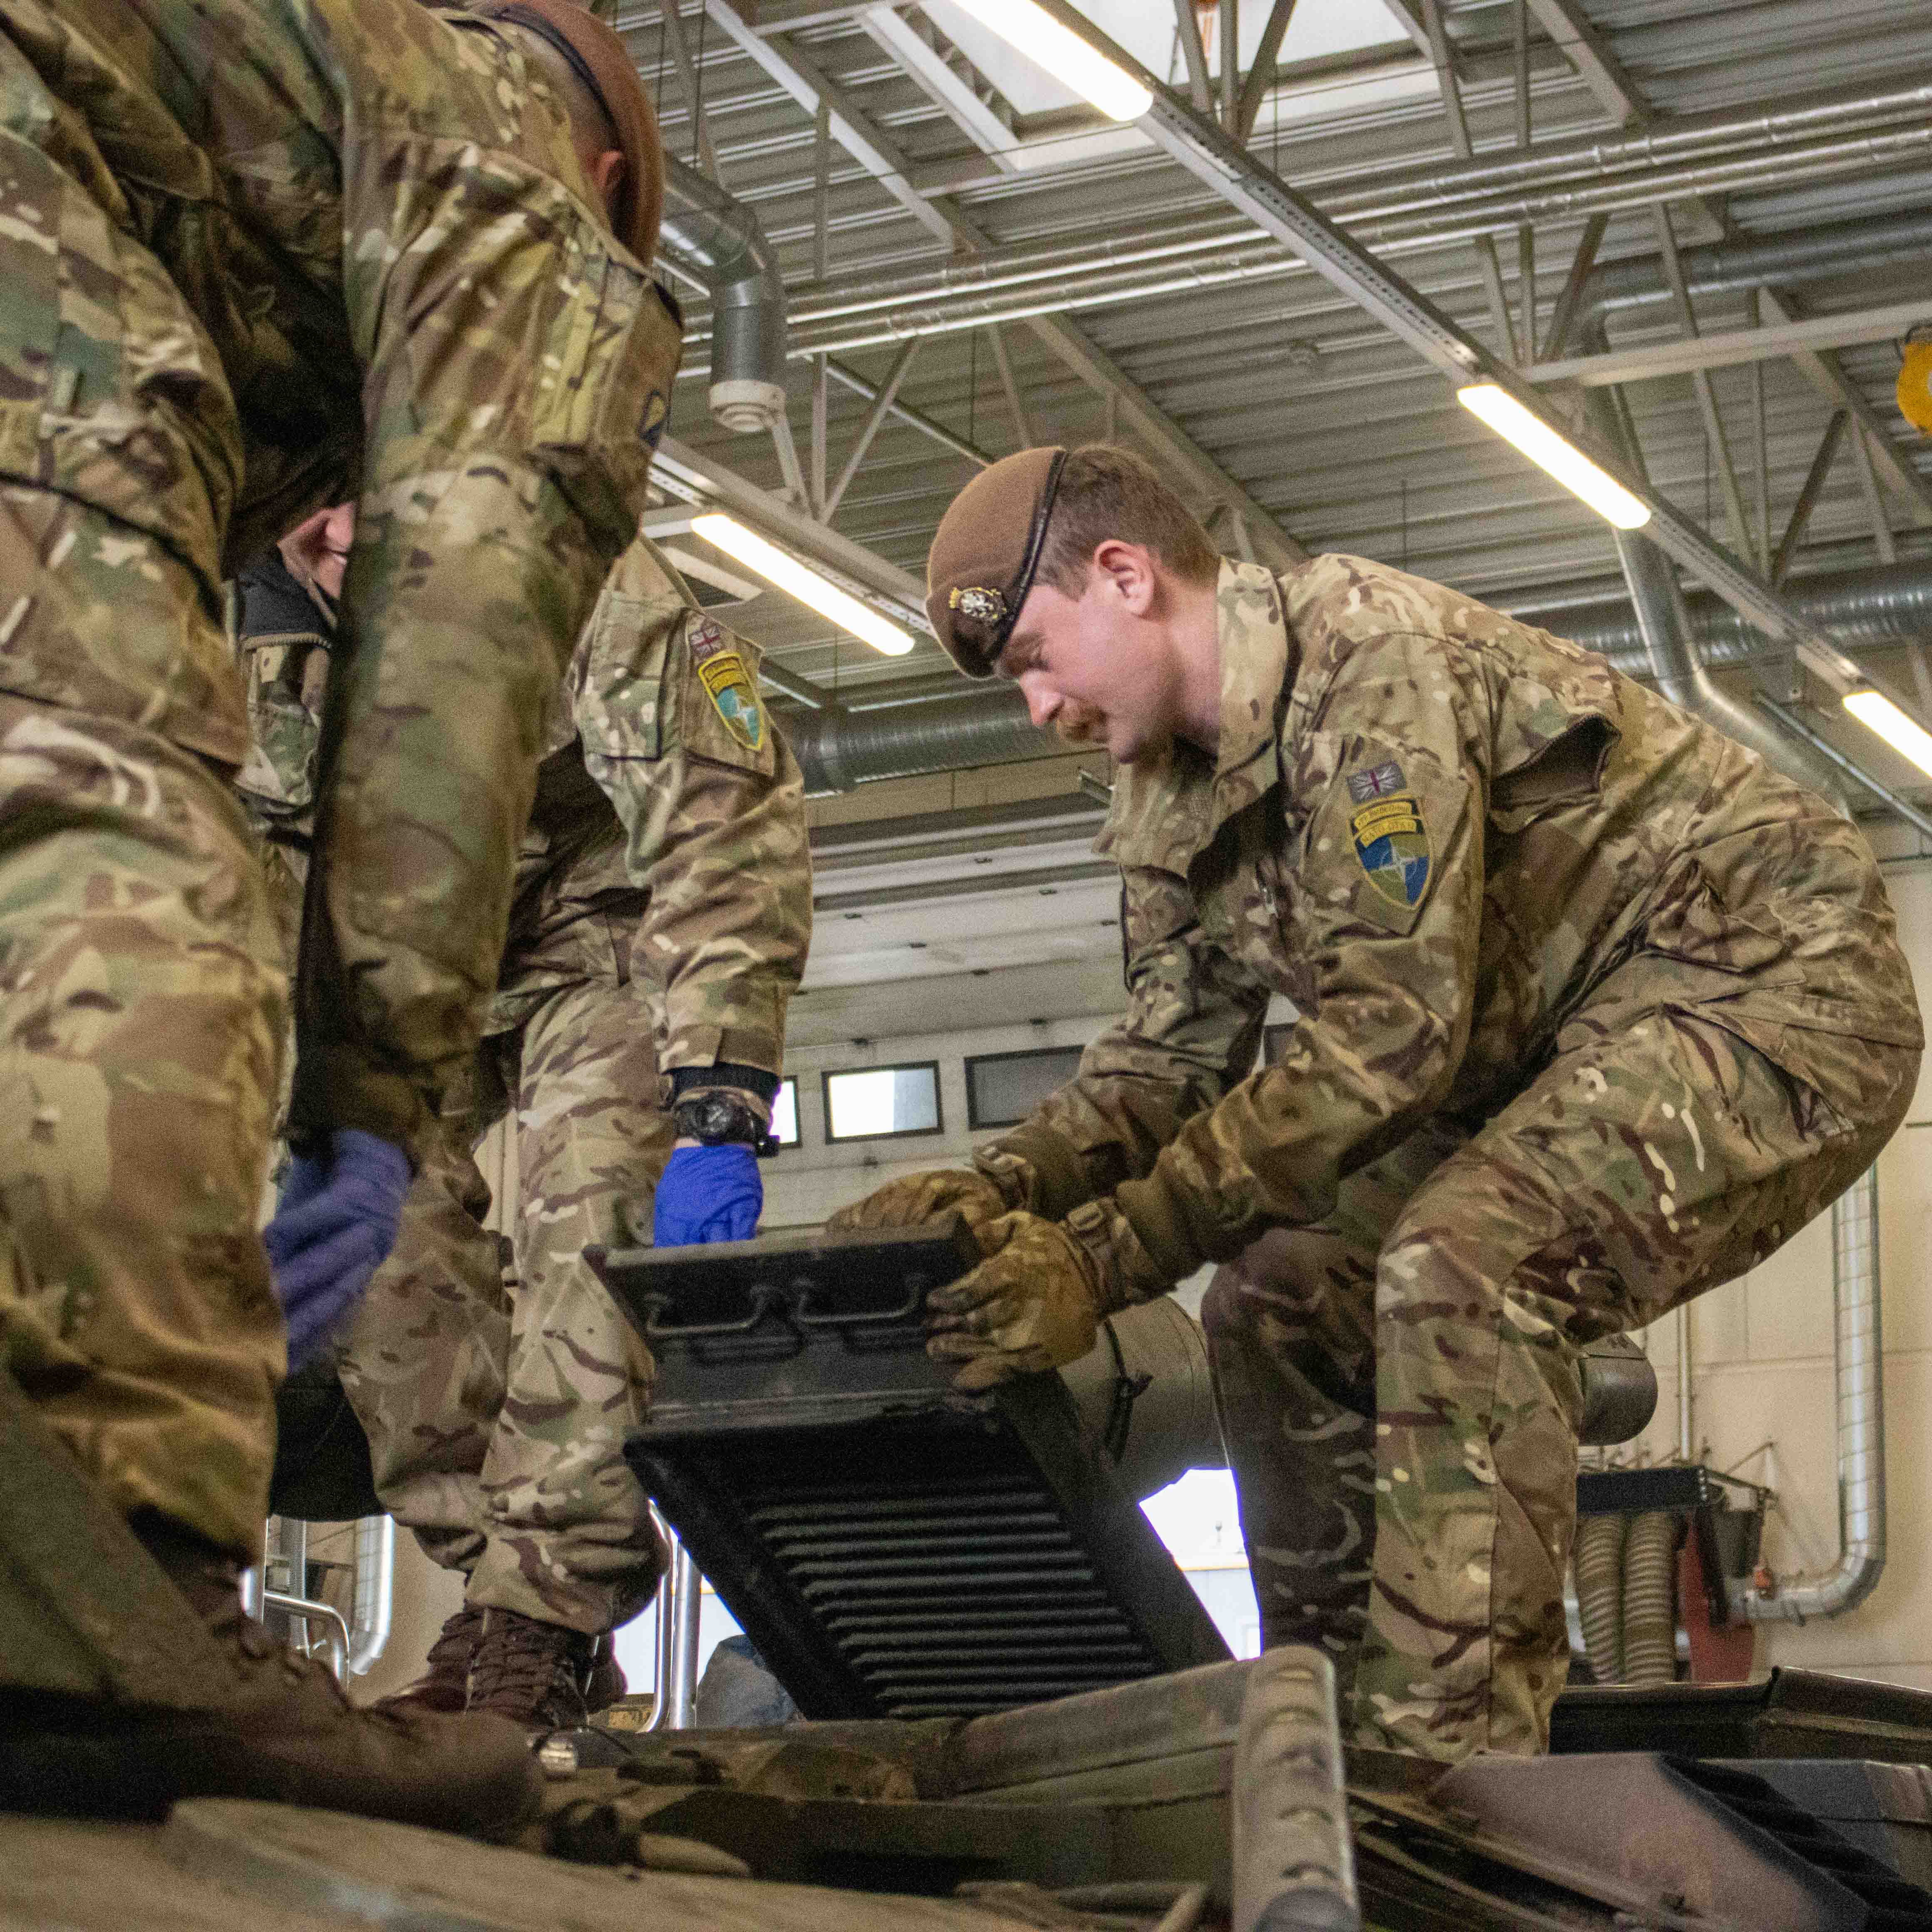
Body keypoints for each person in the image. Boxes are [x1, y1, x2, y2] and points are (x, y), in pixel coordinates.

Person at [830, 442, 1923, 1763]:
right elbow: (1165, 1064)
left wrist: (1104, 1254)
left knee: (1468, 1264)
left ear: (1124, 578)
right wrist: (1005, 1191)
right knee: (1276, 1296)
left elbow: (1386, 1049)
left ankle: (1456, 1762)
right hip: (1550, 1050)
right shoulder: (1166, 788)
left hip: (1767, 988)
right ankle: (1335, 1740)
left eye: (1035, 658)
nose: (1035, 705)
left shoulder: (1364, 660)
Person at [0, 0, 682, 1823]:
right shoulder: (520, 174)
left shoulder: (275, 95)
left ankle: (523, 1618)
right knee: (126, 873)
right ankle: (113, 1611)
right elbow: (453, 665)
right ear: (615, 180)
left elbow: (699, 850)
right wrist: (365, 1101)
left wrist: (723, 1084)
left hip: (595, 972)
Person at [239, 507, 810, 1730]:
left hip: (598, 927)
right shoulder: (206, 606)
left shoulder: (577, 561)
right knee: (375, 1265)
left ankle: (539, 1619)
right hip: (389, 964)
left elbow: (725, 821)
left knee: (588, 1232)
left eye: (364, 480)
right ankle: (507, 1592)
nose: (335, 527)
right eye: (305, 494)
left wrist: (720, 1099)